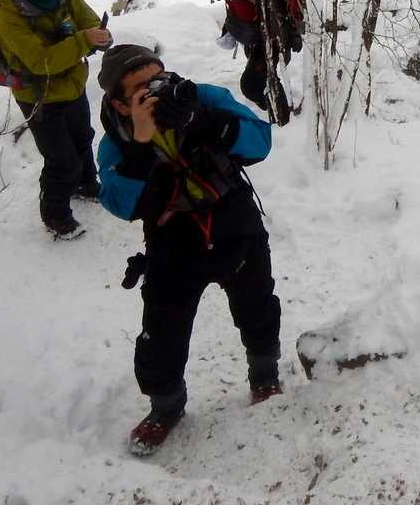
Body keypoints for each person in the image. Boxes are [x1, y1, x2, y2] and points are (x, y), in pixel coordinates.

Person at [96, 44, 282, 457]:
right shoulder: (116, 142)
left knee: (257, 304)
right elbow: (121, 204)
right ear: (121, 104)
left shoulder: (202, 97)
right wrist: (141, 145)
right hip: (173, 243)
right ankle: (166, 406)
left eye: (160, 77)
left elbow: (260, 142)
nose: (158, 90)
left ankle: (265, 373)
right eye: (143, 88)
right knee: (162, 333)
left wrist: (202, 119)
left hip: (234, 222)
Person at [0, 0, 110, 239]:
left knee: (83, 138)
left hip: (72, 84)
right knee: (61, 160)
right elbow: (41, 62)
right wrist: (84, 40)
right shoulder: (9, 16)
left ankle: (86, 185)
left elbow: (89, 21)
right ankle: (56, 217)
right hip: (38, 96)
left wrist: (100, 36)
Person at [195, 0, 301, 125]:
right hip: (253, 37)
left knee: (251, 86)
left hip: (269, 38)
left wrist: (286, 36)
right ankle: (282, 116)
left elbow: (272, 5)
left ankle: (283, 122)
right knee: (266, 82)